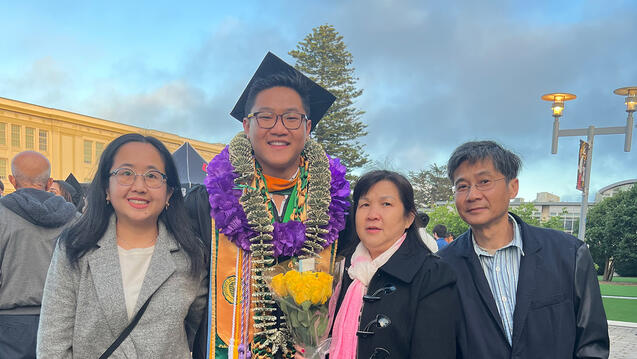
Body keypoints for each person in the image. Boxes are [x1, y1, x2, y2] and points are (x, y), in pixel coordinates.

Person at [202, 52, 350, 359]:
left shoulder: (338, 206)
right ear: (246, 125)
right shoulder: (208, 203)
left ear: (308, 127)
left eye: (292, 117)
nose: (279, 128)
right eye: (265, 116)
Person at [37, 133, 208, 358]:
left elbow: (197, 332)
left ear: (169, 193)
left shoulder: (191, 254)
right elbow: (53, 344)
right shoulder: (75, 248)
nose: (139, 186)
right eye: (126, 173)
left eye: (153, 176)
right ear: (107, 188)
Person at [438, 140, 609, 358]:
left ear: (512, 187)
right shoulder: (441, 267)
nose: (472, 195)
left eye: (484, 181)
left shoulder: (568, 253)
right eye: (462, 186)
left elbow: (592, 343)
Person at [327, 170, 459, 358]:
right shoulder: (342, 269)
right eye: (364, 204)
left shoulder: (433, 275)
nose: (372, 214)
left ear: (409, 218)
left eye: (386, 204)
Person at [0, 151, 77, 358]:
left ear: (12, 180)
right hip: (64, 320)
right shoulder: (76, 219)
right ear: (49, 181)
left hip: (10, 325)